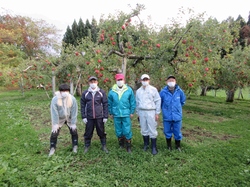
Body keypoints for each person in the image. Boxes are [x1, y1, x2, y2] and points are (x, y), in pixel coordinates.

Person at [108, 73, 136, 153]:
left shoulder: (128, 90)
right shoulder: (112, 91)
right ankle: (121, 144)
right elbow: (109, 103)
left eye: (121, 80)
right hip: (116, 113)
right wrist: (110, 112)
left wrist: (131, 111)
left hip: (126, 113)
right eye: (118, 80)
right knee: (118, 130)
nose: (120, 81)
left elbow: (132, 101)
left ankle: (128, 146)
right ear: (116, 81)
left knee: (127, 130)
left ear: (124, 80)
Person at [80, 76, 109, 153]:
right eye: (91, 82)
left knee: (101, 131)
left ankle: (104, 145)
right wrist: (83, 116)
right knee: (88, 132)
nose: (93, 83)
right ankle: (87, 146)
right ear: (89, 83)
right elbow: (82, 105)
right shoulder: (85, 93)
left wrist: (105, 116)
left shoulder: (101, 92)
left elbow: (105, 104)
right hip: (89, 117)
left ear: (97, 82)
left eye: (94, 82)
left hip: (99, 116)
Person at [49, 83, 78, 156]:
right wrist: (55, 124)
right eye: (63, 91)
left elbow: (74, 111)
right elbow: (54, 112)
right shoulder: (55, 99)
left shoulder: (72, 99)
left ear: (68, 91)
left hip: (69, 117)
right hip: (59, 118)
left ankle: (75, 145)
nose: (65, 92)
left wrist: (73, 122)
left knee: (74, 131)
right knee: (54, 132)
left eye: (66, 91)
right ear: (60, 91)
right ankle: (52, 147)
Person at [136, 74, 161, 155]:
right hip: (142, 111)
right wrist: (138, 113)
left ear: (149, 80)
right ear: (141, 81)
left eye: (146, 79)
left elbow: (158, 100)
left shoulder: (153, 89)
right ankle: (146, 144)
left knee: (152, 128)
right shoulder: (138, 91)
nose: (145, 81)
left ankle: (154, 146)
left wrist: (157, 113)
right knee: (144, 128)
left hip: (151, 111)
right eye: (143, 80)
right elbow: (137, 103)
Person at [160, 75, 186, 151]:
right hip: (167, 116)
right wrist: (165, 110)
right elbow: (160, 102)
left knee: (177, 132)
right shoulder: (163, 92)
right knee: (167, 131)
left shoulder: (179, 91)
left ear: (175, 82)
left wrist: (177, 108)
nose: (171, 82)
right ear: (167, 82)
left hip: (177, 116)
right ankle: (169, 146)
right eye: (169, 80)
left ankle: (178, 146)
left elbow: (182, 101)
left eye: (173, 80)